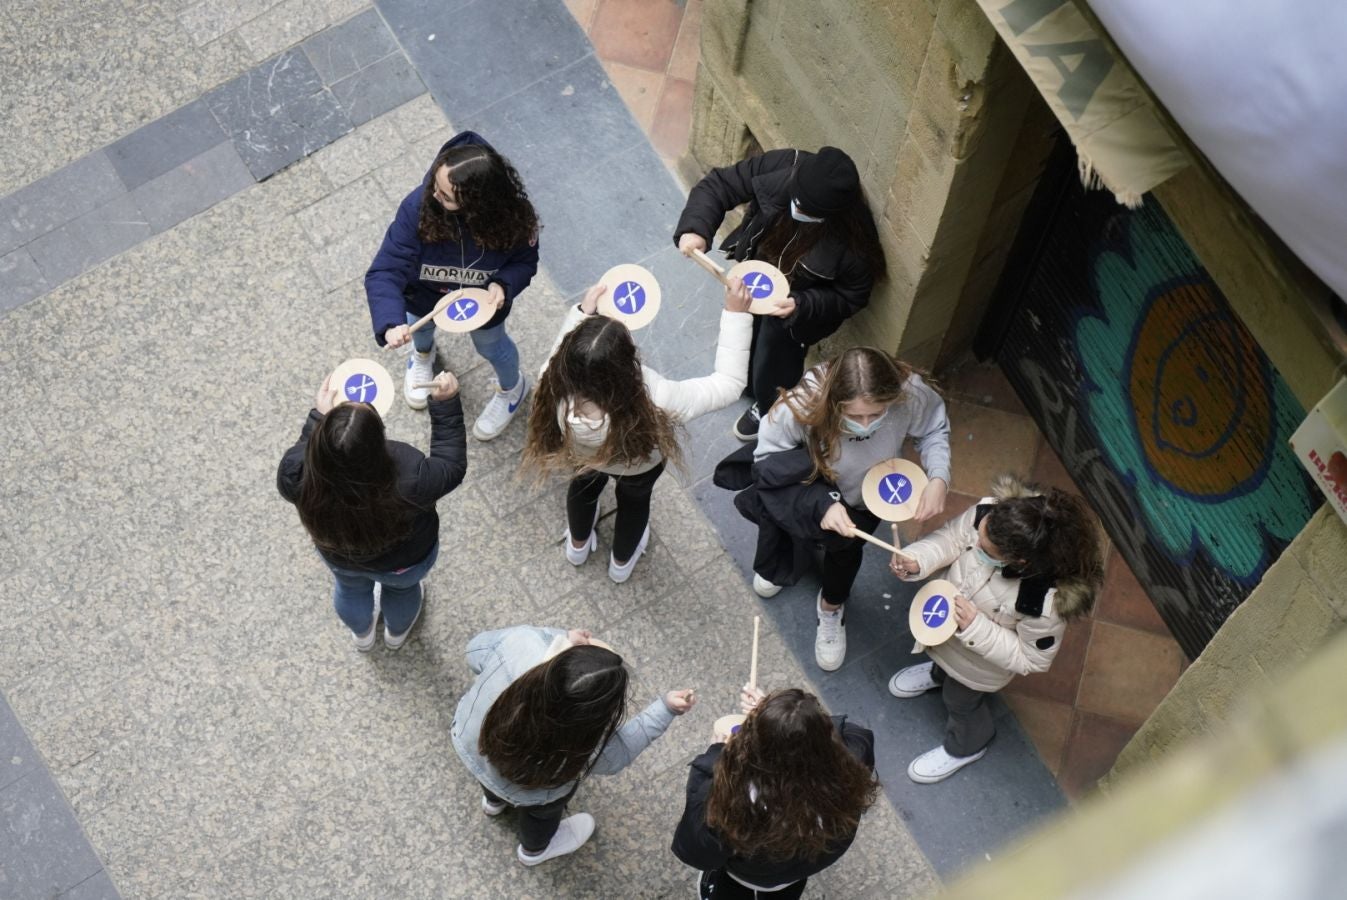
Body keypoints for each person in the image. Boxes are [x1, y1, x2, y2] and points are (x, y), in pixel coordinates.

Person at [522, 277, 753, 583]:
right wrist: (736, 313)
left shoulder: (552, 383)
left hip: (581, 455)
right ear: (626, 366)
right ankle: (620, 565)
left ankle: (577, 546)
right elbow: (728, 385)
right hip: (639, 465)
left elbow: (557, 356)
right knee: (634, 503)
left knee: (582, 488)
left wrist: (580, 313)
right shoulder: (657, 398)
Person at [744, 347, 951, 671]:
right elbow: (767, 463)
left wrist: (938, 476)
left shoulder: (910, 393)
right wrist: (820, 505)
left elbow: (934, 428)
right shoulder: (800, 404)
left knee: (845, 555)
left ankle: (831, 607)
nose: (867, 425)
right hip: (806, 491)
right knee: (789, 532)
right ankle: (785, 563)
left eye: (878, 413)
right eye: (854, 417)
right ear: (832, 401)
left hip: (864, 501)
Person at [888, 475, 1104, 783]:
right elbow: (951, 540)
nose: (976, 542)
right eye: (980, 535)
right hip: (944, 636)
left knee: (960, 701)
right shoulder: (988, 515)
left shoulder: (1043, 603)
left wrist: (976, 627)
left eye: (985, 550)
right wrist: (918, 560)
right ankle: (938, 673)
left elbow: (1033, 659)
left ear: (1020, 561)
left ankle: (967, 744)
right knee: (942, 663)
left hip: (978, 668)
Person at [673, 145, 886, 442]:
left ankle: (768, 405)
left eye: (807, 210)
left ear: (830, 216)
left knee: (775, 359)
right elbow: (720, 184)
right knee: (744, 330)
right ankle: (744, 378)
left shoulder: (855, 242)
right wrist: (696, 227)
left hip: (794, 312)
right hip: (757, 274)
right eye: (795, 200)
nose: (796, 209)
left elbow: (852, 296)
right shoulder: (783, 166)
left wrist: (803, 304)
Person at [452, 625, 695, 865]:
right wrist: (666, 708)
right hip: (537, 793)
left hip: (475, 748)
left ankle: (494, 802)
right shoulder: (591, 742)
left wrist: (561, 637)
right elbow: (622, 751)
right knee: (541, 816)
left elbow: (474, 651)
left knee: (489, 775)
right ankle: (533, 851)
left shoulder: (520, 643)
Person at [365, 131, 539, 440]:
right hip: (422, 296)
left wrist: (504, 283)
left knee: (491, 345)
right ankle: (422, 356)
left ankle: (512, 389)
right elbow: (387, 268)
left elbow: (525, 261)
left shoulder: (515, 218)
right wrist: (390, 322)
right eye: (436, 183)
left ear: (478, 203)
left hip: (483, 305)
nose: (434, 195)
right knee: (418, 328)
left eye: (446, 196)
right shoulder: (417, 206)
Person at [276, 371, 465, 651]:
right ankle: (396, 635)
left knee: (349, 589)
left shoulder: (296, 473)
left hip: (340, 557)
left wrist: (320, 416)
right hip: (405, 562)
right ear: (377, 444)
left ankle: (362, 636)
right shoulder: (412, 477)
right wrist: (446, 403)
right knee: (403, 591)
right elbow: (451, 465)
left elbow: (303, 449)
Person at [672, 685, 877, 899]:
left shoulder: (730, 798)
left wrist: (717, 754)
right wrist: (781, 719)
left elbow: (697, 852)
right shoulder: (855, 748)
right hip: (802, 867)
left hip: (754, 880)